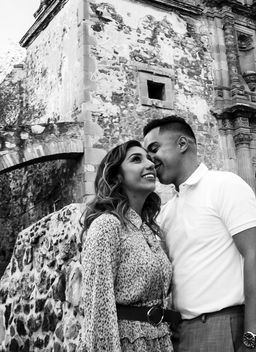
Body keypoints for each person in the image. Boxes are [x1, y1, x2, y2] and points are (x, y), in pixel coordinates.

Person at [142, 116, 256, 352]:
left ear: (182, 144)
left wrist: (251, 338)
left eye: (154, 149)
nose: (150, 160)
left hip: (225, 326)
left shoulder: (224, 185)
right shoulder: (166, 213)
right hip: (182, 332)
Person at [80, 140, 180, 352]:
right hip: (129, 343)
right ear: (117, 176)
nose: (150, 164)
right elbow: (98, 310)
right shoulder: (107, 225)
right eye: (136, 159)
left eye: (149, 158)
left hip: (160, 341)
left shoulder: (149, 230)